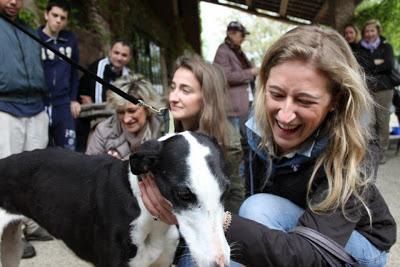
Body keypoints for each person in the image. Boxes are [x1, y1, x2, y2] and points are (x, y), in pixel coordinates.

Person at [139, 26, 397, 266]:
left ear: (335, 101)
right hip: (283, 227)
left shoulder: (354, 152)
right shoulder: (254, 130)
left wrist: (220, 221)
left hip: (348, 243)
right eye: (276, 94)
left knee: (258, 208)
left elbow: (311, 254)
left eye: (304, 101)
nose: (284, 116)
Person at [0, 0, 52, 261]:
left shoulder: (31, 31)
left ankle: (24, 231)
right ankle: (13, 235)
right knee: (5, 185)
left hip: (36, 109)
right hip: (5, 108)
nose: (13, 1)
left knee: (28, 185)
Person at [167, 54, 244, 214]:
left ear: (206, 98)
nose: (173, 98)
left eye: (185, 90)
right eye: (173, 87)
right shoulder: (167, 127)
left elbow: (235, 197)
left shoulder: (226, 140)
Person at [86, 74, 164, 159]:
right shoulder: (103, 131)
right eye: (120, 112)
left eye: (132, 111)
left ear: (147, 108)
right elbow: (89, 168)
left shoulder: (163, 129)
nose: (126, 120)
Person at [37, 0, 80, 150]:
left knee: (68, 150)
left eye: (63, 18)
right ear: (46, 14)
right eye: (55, 15)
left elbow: (75, 72)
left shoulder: (70, 39)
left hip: (63, 104)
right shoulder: (34, 38)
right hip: (39, 104)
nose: (58, 21)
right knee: (42, 150)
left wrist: (74, 99)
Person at [76, 39, 132, 152]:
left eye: (124, 55)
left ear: (129, 58)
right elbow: (96, 99)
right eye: (116, 53)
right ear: (110, 52)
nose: (119, 58)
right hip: (96, 118)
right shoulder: (98, 67)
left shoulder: (129, 75)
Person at [357, 20, 395, 164]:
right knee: (368, 122)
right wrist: (376, 62)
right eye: (367, 31)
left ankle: (382, 152)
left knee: (382, 121)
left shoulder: (387, 47)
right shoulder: (360, 48)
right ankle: (370, 151)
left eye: (372, 30)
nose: (370, 33)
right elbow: (361, 66)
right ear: (364, 33)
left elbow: (389, 64)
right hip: (367, 88)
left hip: (385, 89)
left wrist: (371, 64)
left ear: (378, 31)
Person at [213, 21, 259, 131]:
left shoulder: (238, 51)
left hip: (247, 102)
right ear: (231, 34)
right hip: (234, 107)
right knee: (238, 145)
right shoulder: (223, 51)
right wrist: (251, 72)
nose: (244, 38)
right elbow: (225, 77)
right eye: (242, 35)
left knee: (251, 140)